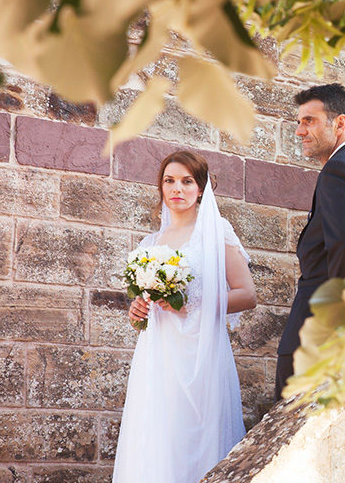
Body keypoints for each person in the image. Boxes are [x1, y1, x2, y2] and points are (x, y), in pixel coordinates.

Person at [112, 151, 258, 483]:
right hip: (158, 357)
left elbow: (247, 295)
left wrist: (190, 304)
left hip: (201, 354)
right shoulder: (151, 243)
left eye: (187, 181)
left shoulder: (216, 231)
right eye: (169, 181)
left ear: (201, 189)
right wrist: (137, 309)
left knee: (198, 433)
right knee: (158, 434)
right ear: (161, 188)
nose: (177, 188)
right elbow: (145, 304)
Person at [275, 83, 345, 400]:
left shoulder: (339, 168)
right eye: (299, 122)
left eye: (308, 120)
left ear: (339, 123)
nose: (299, 131)